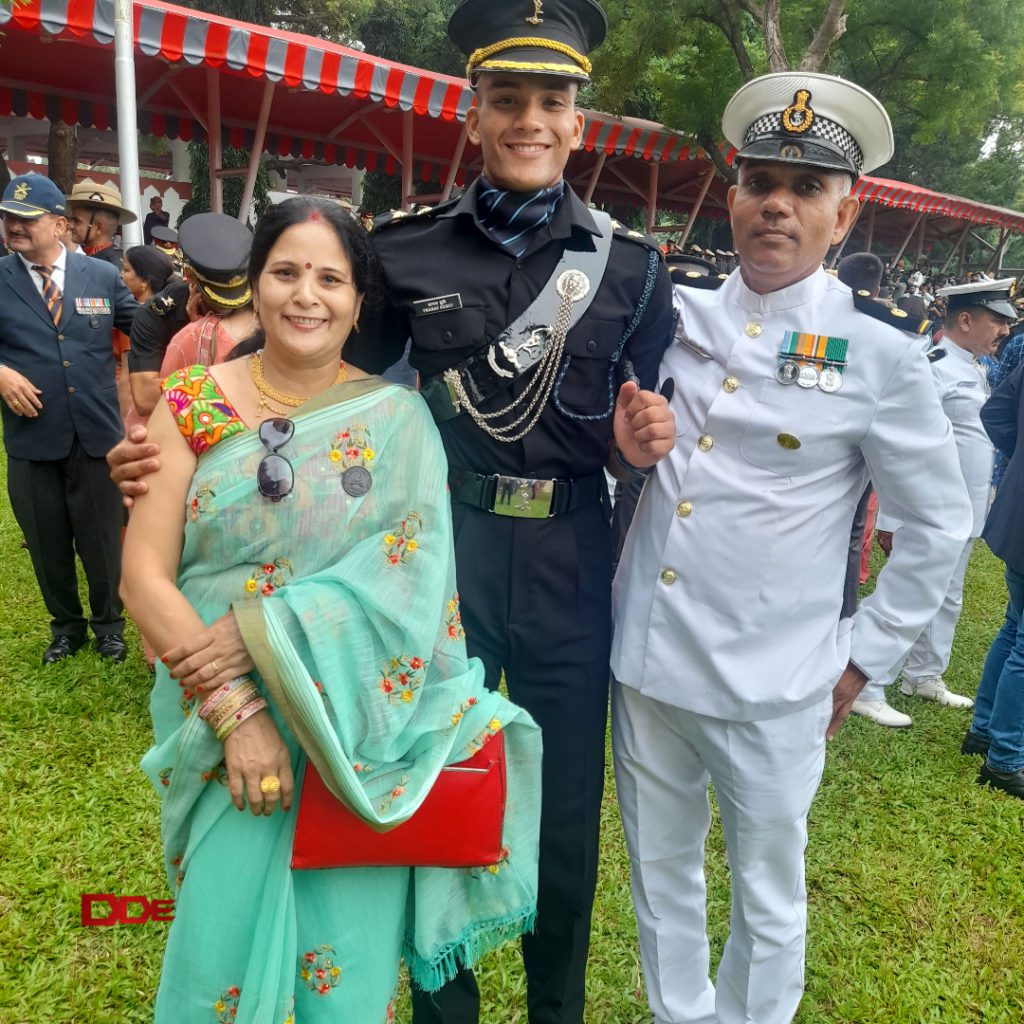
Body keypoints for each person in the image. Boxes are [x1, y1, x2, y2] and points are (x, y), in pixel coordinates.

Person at [108, 2, 675, 1021]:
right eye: (509, 100)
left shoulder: (631, 268)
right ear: (474, 112)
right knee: (414, 781)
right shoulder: (406, 252)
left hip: (566, 561)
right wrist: (176, 443)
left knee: (558, 823)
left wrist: (636, 452)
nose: (531, 120)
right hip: (428, 566)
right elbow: (306, 378)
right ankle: (438, 1010)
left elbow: (642, 417)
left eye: (552, 101)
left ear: (578, 122)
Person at [120, 195, 542, 1022]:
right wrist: (238, 710)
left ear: (358, 301)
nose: (305, 295)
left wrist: (259, 630)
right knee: (215, 955)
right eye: (285, 272)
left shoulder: (396, 419)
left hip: (354, 733)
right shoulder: (195, 403)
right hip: (220, 729)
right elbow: (143, 577)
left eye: (329, 278)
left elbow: (412, 580)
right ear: (254, 283)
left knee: (339, 977)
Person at [610, 73, 971, 1024]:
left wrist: (870, 655)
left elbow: (938, 521)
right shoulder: (673, 310)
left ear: (844, 215)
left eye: (806, 189)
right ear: (730, 196)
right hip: (649, 651)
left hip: (777, 679)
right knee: (661, 876)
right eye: (760, 180)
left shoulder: (881, 352)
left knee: (767, 894)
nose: (778, 203)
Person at [857, 279, 1016, 726]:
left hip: (962, 508)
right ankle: (868, 681)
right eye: (997, 320)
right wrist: (889, 515)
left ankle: (924, 674)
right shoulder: (935, 366)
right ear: (965, 320)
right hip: (924, 508)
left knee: (948, 596)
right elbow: (898, 446)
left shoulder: (976, 367)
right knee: (907, 591)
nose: (1004, 330)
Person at [0, 173, 139, 664]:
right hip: (33, 436)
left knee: (103, 538)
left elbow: (137, 326)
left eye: (26, 219)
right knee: (46, 541)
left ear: (60, 224)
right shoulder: (1, 277)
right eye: (8, 218)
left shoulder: (100, 276)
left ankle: (109, 627)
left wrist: (185, 306)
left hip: (97, 432)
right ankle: (66, 628)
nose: (13, 227)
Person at [129, 213, 255, 418]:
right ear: (189, 276)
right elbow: (144, 398)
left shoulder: (254, 303)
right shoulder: (157, 313)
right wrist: (198, 342)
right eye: (217, 300)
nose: (226, 312)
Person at [66, 181, 136, 269]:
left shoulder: (108, 270)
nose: (70, 226)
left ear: (98, 228)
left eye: (77, 221)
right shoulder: (81, 256)